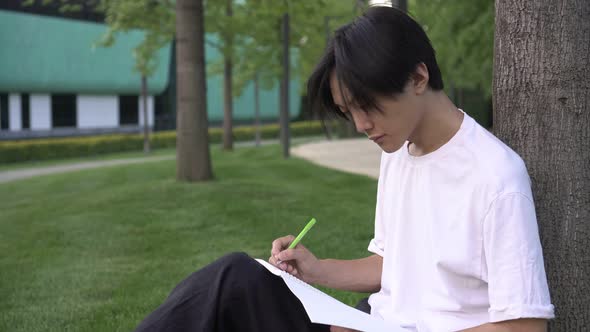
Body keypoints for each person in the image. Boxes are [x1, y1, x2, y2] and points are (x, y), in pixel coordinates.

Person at [134, 6, 554, 332]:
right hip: (372, 321)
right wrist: (317, 270)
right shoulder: (397, 153)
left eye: (368, 106)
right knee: (236, 278)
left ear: (419, 77)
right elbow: (395, 264)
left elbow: (525, 324)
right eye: (348, 111)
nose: (360, 125)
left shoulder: (496, 176)